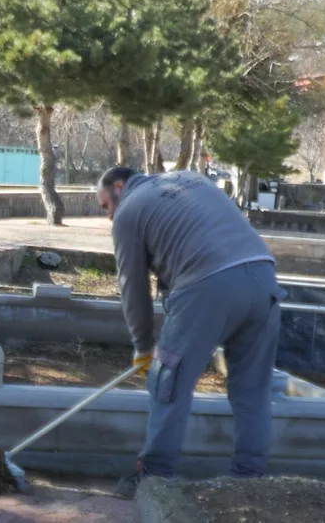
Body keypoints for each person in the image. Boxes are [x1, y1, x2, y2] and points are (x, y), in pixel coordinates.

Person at [97, 166, 286, 499]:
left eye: (105, 206)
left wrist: (143, 348)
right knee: (253, 389)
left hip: (208, 284)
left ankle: (153, 478)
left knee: (167, 382)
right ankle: (248, 481)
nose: (108, 216)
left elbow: (133, 289)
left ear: (118, 186)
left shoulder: (128, 211)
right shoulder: (193, 178)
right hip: (263, 277)